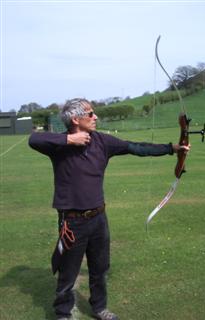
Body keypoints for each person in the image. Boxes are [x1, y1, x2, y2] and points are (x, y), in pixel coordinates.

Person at [28, 98, 190, 320]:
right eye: (91, 114)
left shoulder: (102, 141)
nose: (96, 117)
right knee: (68, 272)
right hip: (72, 221)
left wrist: (172, 148)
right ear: (76, 119)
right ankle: (63, 313)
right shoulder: (58, 146)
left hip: (98, 218)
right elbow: (34, 139)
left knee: (100, 268)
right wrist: (69, 139)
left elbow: (136, 147)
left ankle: (99, 308)